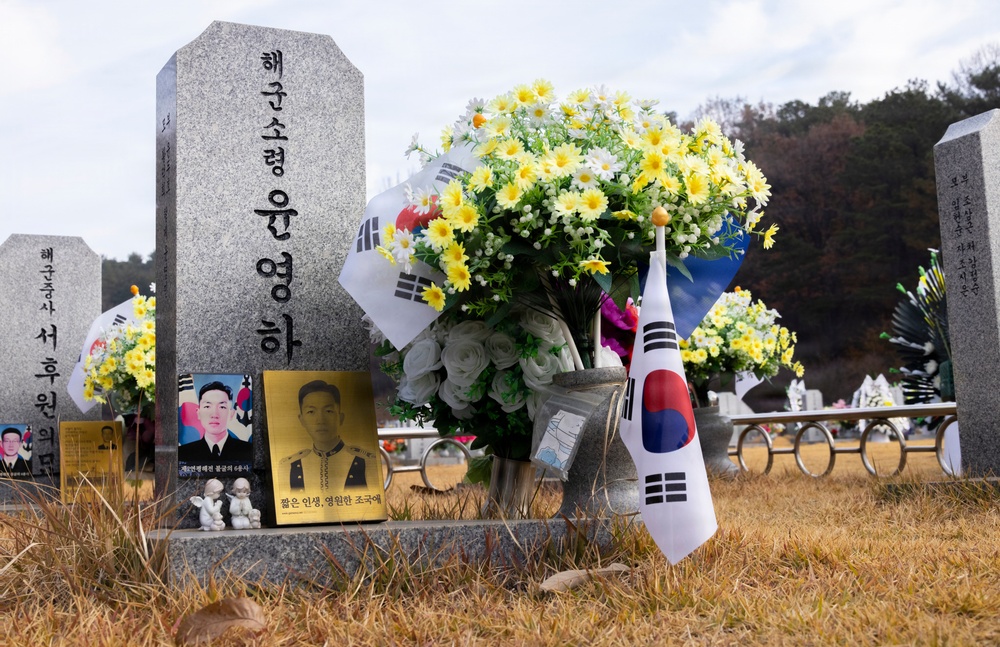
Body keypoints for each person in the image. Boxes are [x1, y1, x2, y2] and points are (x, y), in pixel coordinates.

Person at [280, 380, 373, 491]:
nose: (320, 420)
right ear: (302, 420)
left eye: (328, 411)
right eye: (311, 412)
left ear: (341, 417)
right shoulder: (289, 466)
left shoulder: (367, 462)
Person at [178, 382, 252, 464]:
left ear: (231, 414)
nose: (214, 414)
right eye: (207, 406)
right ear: (198, 413)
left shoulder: (248, 450)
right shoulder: (183, 453)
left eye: (222, 407)